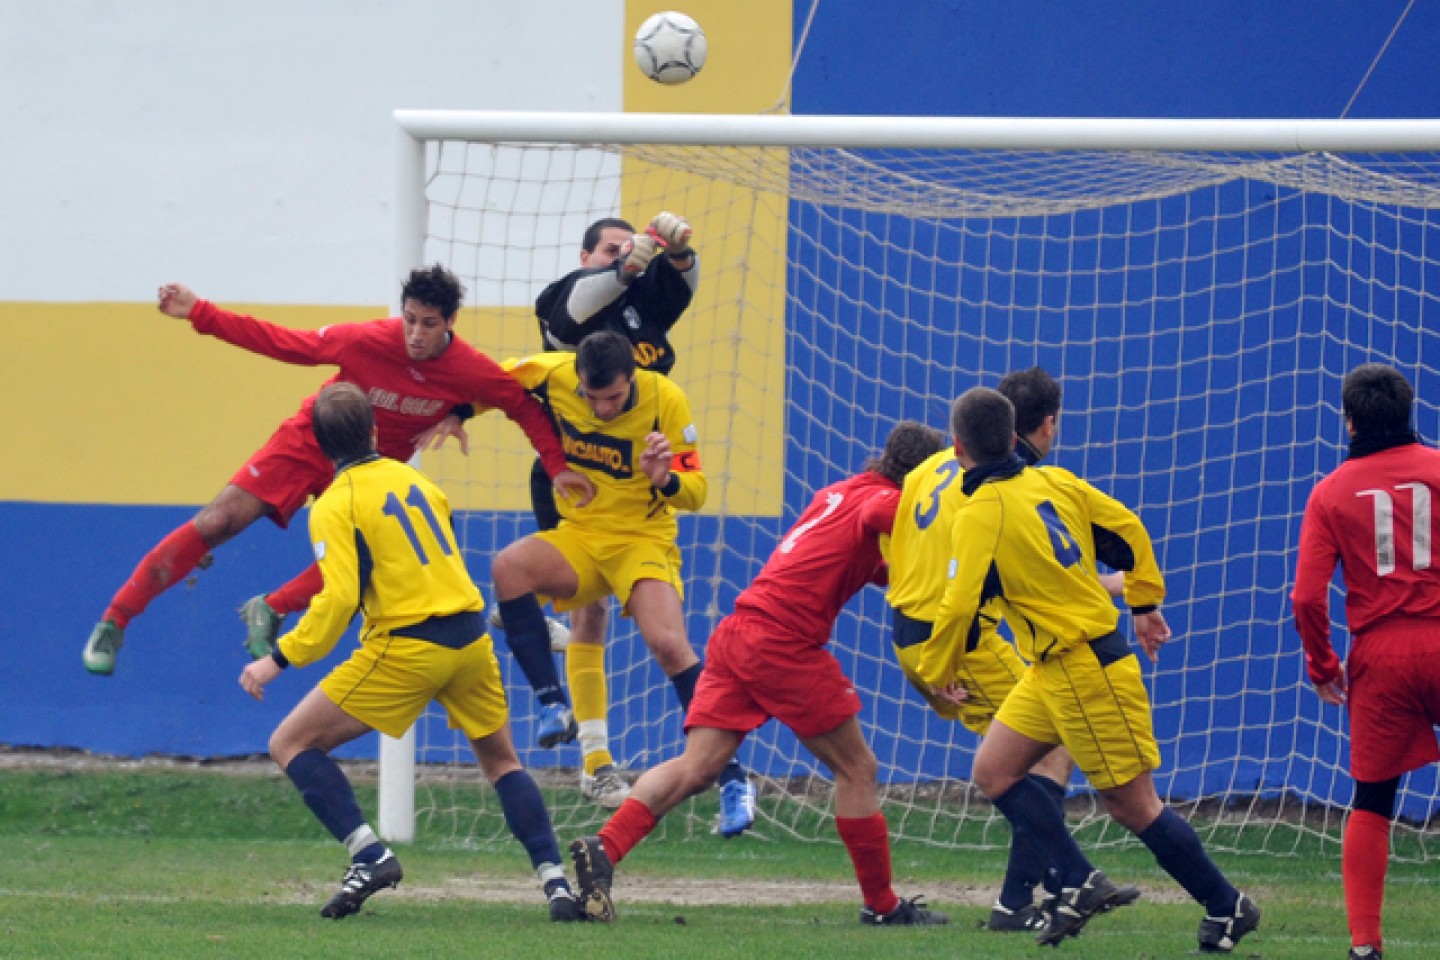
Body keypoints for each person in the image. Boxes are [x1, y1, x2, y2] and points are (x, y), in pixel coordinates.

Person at [82, 266, 592, 676]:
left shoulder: (471, 370)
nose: (415, 334)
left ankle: (272, 607)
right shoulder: (367, 340)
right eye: (410, 319)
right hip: (310, 439)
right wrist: (200, 312)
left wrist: (557, 466)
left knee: (359, 560)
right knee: (217, 523)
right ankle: (115, 619)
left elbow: (522, 405)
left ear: (451, 322)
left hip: (368, 469)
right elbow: (283, 342)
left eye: (429, 324)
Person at [914, 387, 1260, 952]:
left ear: (957, 449)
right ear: (1011, 438)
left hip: (1086, 667)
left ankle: (1226, 906)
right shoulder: (1053, 480)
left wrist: (937, 666)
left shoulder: (978, 511)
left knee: (1133, 805)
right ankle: (1080, 880)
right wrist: (1144, 601)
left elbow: (957, 604)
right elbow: (1128, 528)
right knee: (994, 770)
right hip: (1050, 668)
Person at [568, 421, 951, 927]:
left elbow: (875, 564)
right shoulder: (881, 502)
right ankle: (882, 906)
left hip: (740, 632)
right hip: (783, 643)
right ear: (920, 478)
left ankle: (604, 848)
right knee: (858, 769)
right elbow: (889, 517)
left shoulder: (837, 494)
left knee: (696, 767)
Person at [237, 382, 586, 922]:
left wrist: (277, 658)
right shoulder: (417, 480)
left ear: (321, 447)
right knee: (501, 762)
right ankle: (557, 884)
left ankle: (369, 855)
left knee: (290, 742)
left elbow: (339, 601)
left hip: (407, 647)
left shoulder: (333, 504)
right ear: (376, 431)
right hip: (470, 640)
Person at [442, 213, 707, 813]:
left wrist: (681, 256)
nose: (625, 256)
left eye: (629, 246)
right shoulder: (569, 298)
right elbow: (520, 364)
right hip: (571, 475)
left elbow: (678, 292)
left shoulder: (643, 330)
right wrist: (456, 408)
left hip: (636, 492)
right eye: (610, 249)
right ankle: (558, 693)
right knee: (585, 609)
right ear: (587, 255)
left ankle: (599, 760)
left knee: (619, 626)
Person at [883, 366, 1133, 933]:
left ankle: (1030, 895)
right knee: (1049, 750)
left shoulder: (926, 471)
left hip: (908, 633)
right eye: (1053, 427)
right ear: (1031, 428)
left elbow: (901, 548)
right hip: (959, 639)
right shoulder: (1001, 487)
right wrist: (1120, 588)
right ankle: (1054, 885)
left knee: (1030, 754)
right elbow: (1019, 574)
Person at [487, 328, 752, 827]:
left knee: (669, 644)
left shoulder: (664, 400)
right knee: (508, 567)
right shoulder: (552, 375)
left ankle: (733, 779)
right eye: (592, 398)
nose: (602, 409)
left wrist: (663, 478)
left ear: (633, 378)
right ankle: (552, 707)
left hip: (642, 541)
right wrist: (444, 414)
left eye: (612, 398)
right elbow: (482, 383)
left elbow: (696, 493)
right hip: (582, 535)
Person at [1291, 363, 1440, 960]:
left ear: (1349, 422)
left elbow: (1305, 595)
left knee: (1374, 802)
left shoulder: (1331, 491)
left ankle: (1365, 946)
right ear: (1408, 415)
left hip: (1381, 656)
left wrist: (1323, 666)